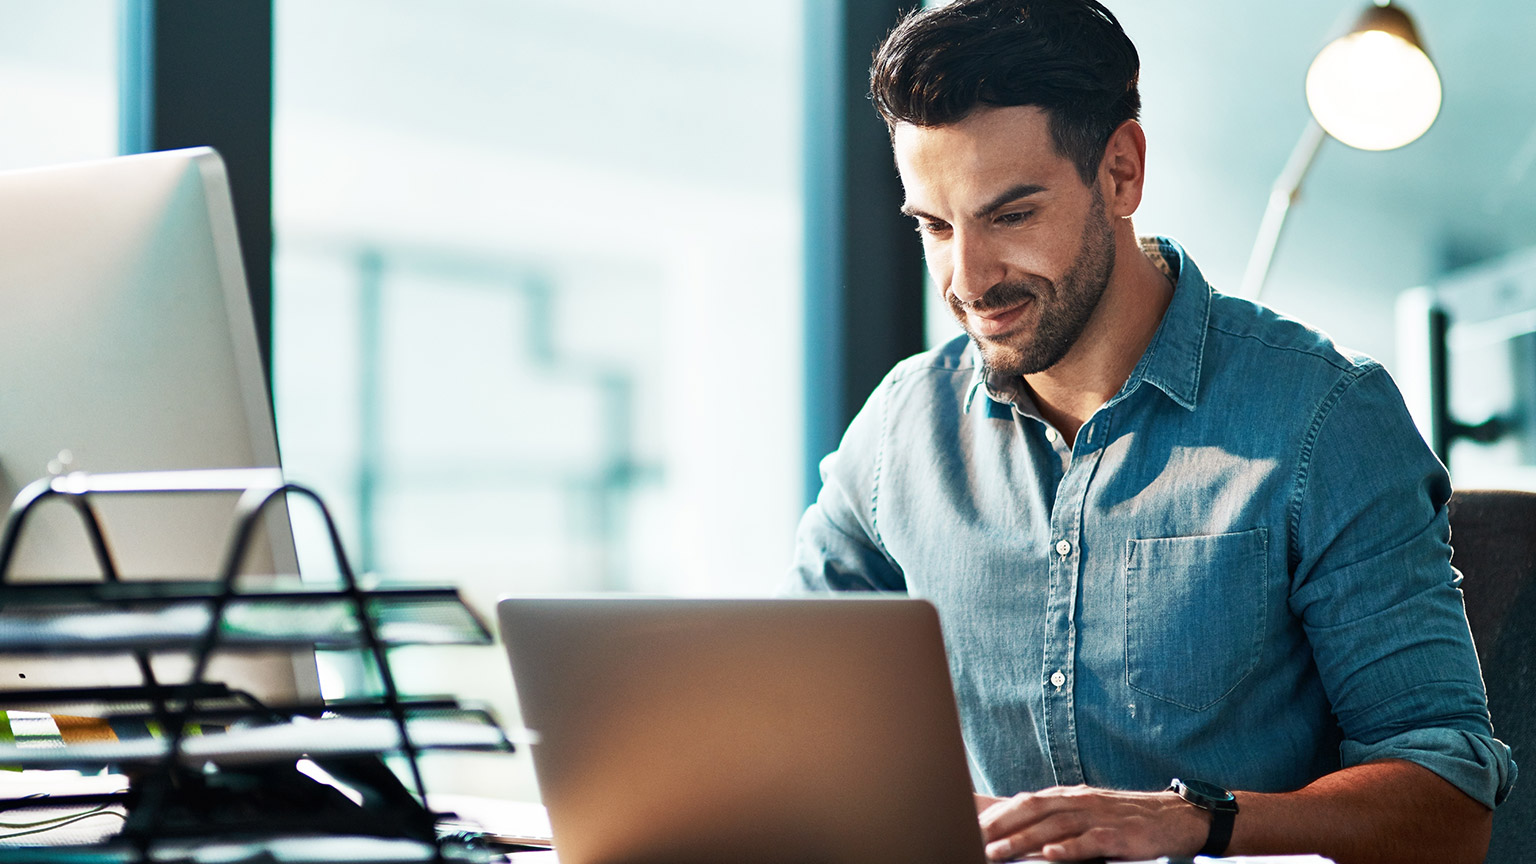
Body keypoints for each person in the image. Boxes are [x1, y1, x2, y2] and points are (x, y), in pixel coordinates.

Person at [785, 1, 1516, 862]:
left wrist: (1195, 820)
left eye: (1011, 215)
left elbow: (1450, 800)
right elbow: (790, 719)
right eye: (936, 227)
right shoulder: (898, 432)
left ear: (1122, 171)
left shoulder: (1326, 419)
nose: (969, 279)